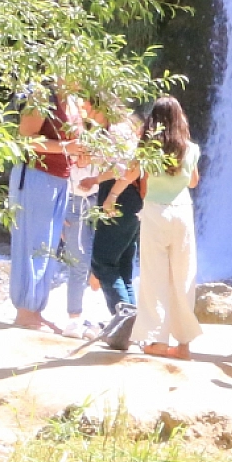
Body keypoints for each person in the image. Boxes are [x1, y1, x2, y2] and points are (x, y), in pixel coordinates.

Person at [7, 82, 96, 335]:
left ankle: (36, 311)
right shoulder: (42, 96)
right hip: (35, 176)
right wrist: (66, 148)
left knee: (47, 245)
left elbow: (72, 144)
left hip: (60, 179)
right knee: (32, 241)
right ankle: (25, 312)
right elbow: (24, 140)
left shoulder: (73, 103)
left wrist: (80, 153)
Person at [125, 97, 204, 359]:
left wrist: (112, 195)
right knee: (183, 276)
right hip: (182, 213)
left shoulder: (147, 148)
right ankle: (184, 345)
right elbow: (193, 182)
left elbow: (134, 176)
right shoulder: (191, 148)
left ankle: (157, 339)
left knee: (153, 277)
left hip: (155, 211)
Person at [85, 104, 144, 340]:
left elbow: (125, 168)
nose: (84, 110)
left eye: (87, 104)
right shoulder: (126, 127)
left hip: (119, 199)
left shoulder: (116, 130)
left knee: (102, 262)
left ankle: (122, 323)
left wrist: (100, 184)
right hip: (132, 200)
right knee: (123, 267)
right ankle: (131, 328)